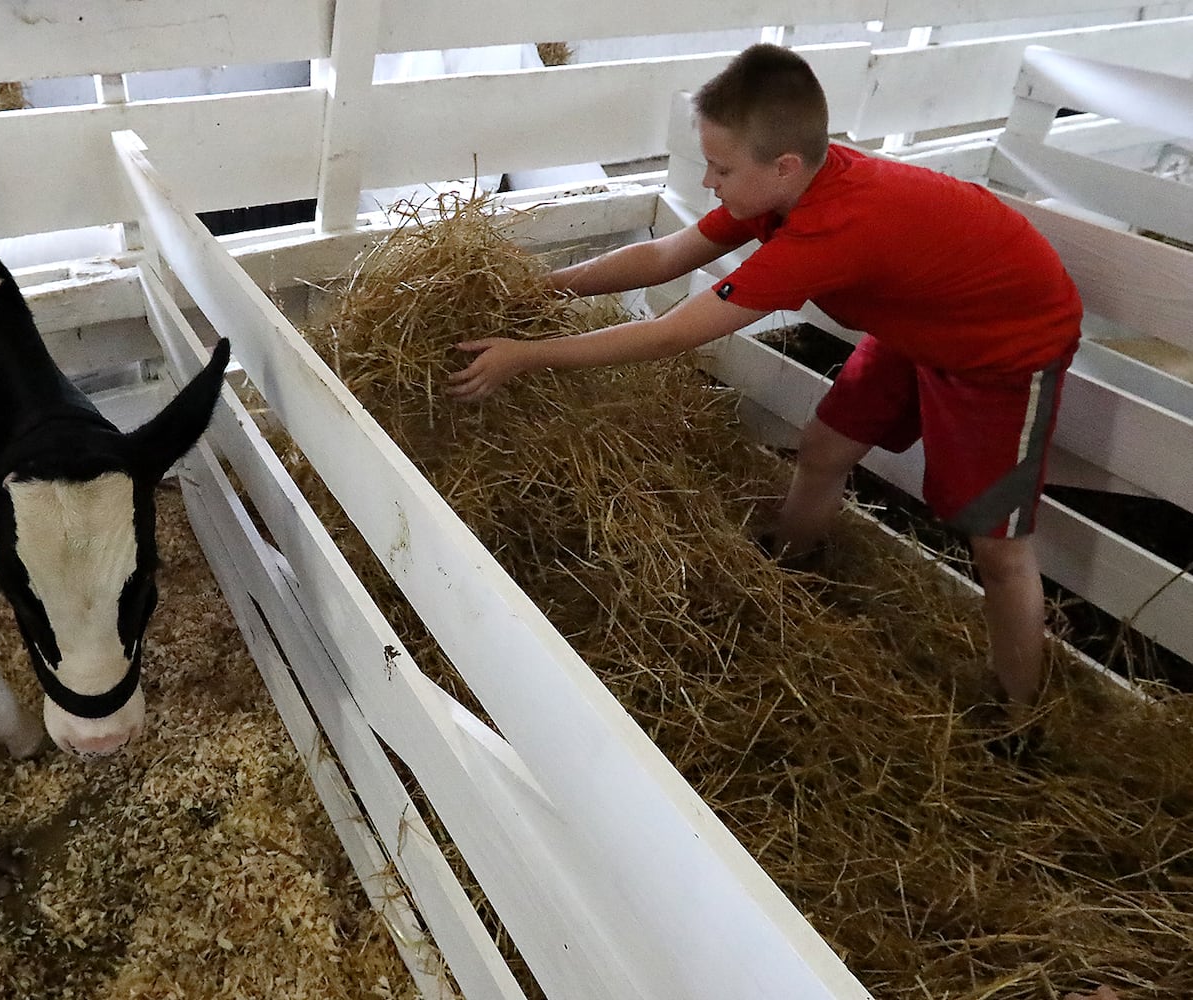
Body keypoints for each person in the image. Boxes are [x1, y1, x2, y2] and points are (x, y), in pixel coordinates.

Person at [447, 43, 1082, 724]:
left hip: (1001, 345)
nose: (708, 184)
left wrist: (528, 355)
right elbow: (666, 256)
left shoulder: (831, 227)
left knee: (997, 546)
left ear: (782, 166)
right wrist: (541, 288)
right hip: (924, 320)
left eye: (719, 169)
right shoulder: (782, 191)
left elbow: (673, 333)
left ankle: (1018, 715)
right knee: (824, 448)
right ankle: (790, 564)